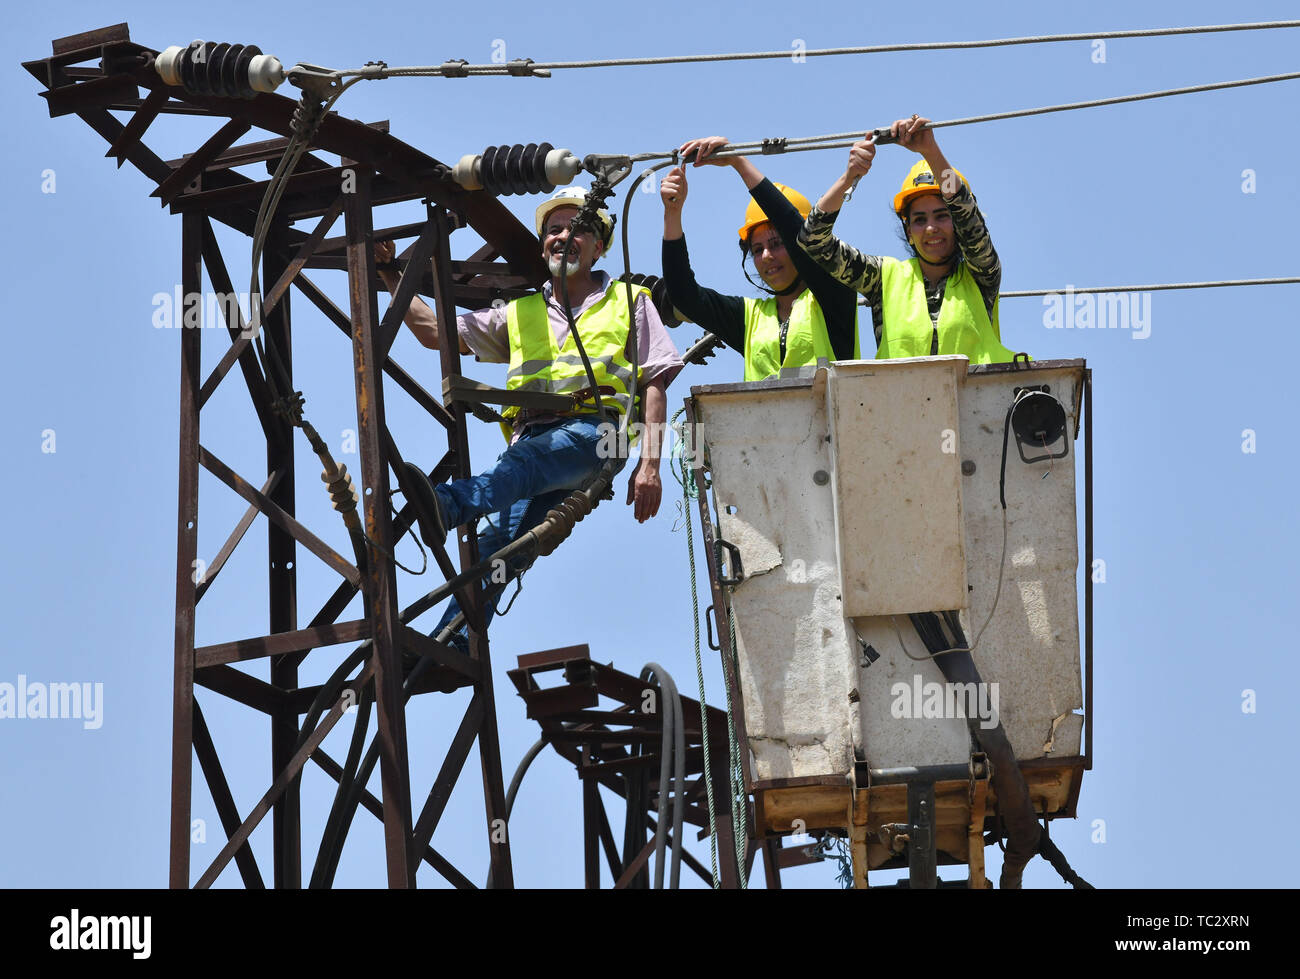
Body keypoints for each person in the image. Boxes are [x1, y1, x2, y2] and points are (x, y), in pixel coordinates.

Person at [377, 186, 683, 651]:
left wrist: (650, 465)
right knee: (499, 548)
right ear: (544, 246)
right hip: (533, 441)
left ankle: (447, 504)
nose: (564, 237)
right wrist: (388, 271)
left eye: (577, 230)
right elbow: (434, 331)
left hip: (595, 436)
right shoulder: (520, 313)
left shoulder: (630, 302)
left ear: (599, 246)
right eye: (554, 230)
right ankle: (452, 644)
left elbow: (656, 382)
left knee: (521, 468)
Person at [798, 115, 1018, 363]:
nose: (931, 228)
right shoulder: (882, 278)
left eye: (942, 216)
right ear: (909, 232)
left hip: (975, 401)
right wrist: (848, 178)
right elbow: (812, 239)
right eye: (920, 220)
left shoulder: (982, 275)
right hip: (900, 401)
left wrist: (930, 151)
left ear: (958, 222)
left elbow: (968, 218)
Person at [660, 137, 858, 380]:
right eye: (756, 249)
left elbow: (799, 236)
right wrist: (673, 213)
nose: (766, 256)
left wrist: (739, 162)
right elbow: (684, 296)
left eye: (777, 244)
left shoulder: (835, 294)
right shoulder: (750, 318)